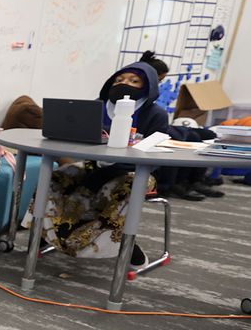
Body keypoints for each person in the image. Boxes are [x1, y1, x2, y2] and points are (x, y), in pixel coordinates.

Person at [40, 52, 170, 264]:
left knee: (121, 188)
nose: (124, 83)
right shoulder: (98, 107)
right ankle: (47, 234)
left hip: (135, 172)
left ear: (147, 87)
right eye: (119, 79)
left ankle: (125, 244)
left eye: (133, 81)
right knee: (57, 178)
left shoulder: (156, 115)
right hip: (95, 165)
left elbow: (155, 155)